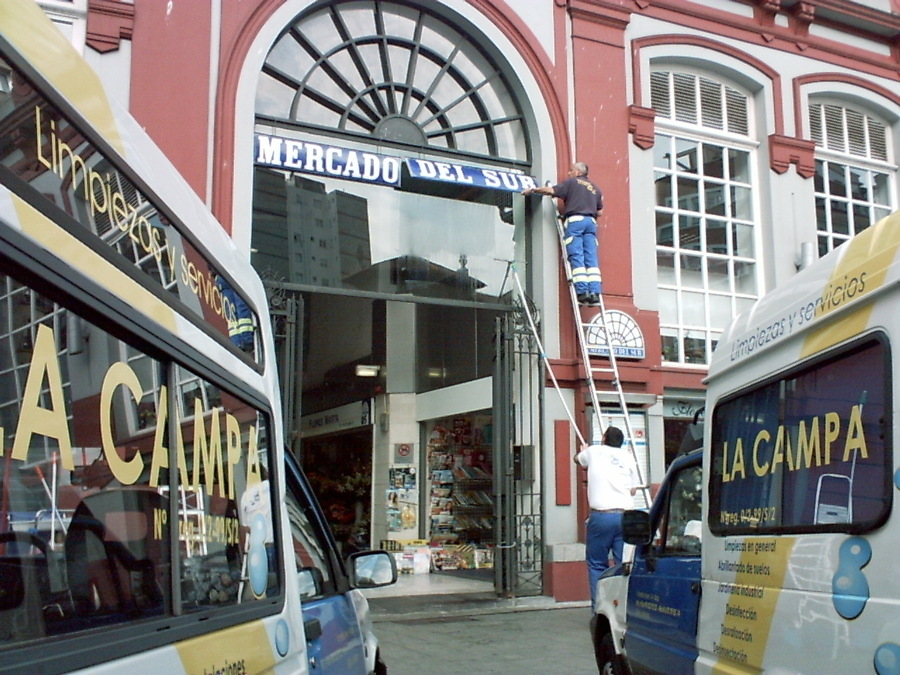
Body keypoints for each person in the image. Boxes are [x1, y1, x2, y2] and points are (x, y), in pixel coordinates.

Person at [523, 161, 604, 305]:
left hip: (576, 221)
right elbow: (600, 212)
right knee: (591, 257)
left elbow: (551, 191)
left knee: (576, 255)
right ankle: (594, 292)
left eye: (571, 170)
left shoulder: (572, 183)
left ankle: (582, 292)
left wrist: (534, 190)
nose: (569, 173)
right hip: (591, 223)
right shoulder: (595, 189)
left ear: (578, 172)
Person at [575, 426, 639, 607]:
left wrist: (584, 452)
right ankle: (622, 607)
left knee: (597, 564)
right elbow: (633, 491)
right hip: (625, 516)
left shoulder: (594, 451)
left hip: (602, 516)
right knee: (623, 564)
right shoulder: (628, 457)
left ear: (603, 438)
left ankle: (600, 609)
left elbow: (577, 460)